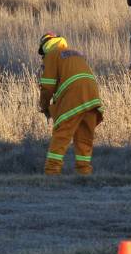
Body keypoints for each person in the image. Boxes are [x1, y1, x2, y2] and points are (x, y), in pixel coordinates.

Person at [37, 33, 103, 175]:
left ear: (45, 46)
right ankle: (84, 172)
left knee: (62, 134)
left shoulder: (52, 54)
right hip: (92, 96)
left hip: (74, 97)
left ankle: (51, 172)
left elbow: (47, 85)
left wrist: (43, 106)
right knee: (84, 136)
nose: (42, 58)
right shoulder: (75, 54)